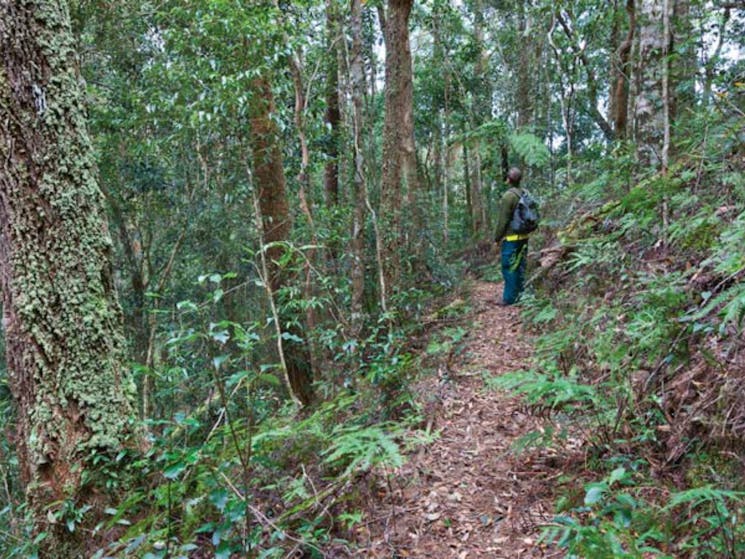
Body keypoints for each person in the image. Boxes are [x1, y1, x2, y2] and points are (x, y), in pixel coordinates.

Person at [494, 167, 529, 306]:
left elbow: (503, 220)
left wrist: (497, 238)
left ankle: (509, 299)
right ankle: (520, 295)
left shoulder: (508, 196)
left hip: (511, 238)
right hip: (524, 236)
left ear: (508, 179)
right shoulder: (524, 193)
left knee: (509, 267)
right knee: (520, 265)